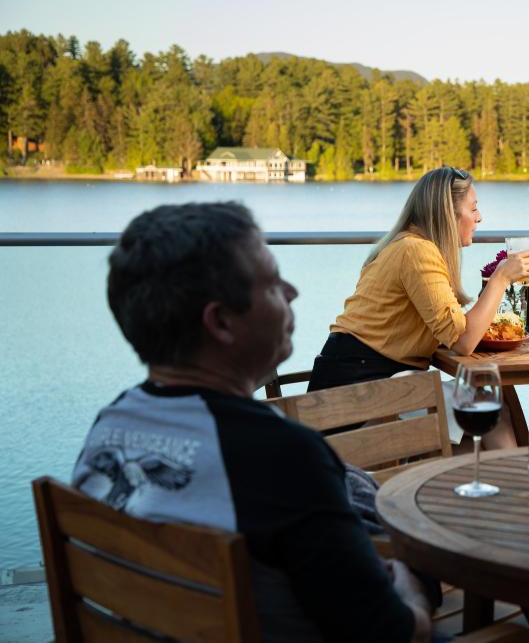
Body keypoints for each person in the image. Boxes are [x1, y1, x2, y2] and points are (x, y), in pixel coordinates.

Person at [72, 202, 432, 643]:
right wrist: (413, 591)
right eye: (272, 282)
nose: (293, 291)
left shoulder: (108, 426)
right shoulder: (281, 455)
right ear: (221, 321)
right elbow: (391, 633)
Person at [307, 166, 529, 448]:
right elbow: (463, 342)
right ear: (447, 214)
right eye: (473, 209)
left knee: (469, 440)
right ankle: (522, 490)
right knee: (490, 413)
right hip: (357, 394)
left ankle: (501, 486)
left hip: (351, 381)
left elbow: (450, 329)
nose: (479, 217)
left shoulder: (406, 245)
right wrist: (500, 279)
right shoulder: (417, 252)